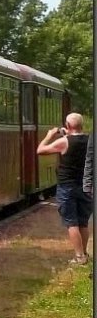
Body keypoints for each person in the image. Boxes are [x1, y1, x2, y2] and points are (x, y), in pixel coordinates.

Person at [37, 112, 92, 265]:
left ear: (68, 126)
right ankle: (85, 254)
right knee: (83, 222)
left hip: (67, 186)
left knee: (71, 223)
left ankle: (79, 257)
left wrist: (49, 135)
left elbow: (40, 150)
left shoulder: (64, 141)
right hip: (86, 186)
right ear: (82, 125)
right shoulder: (90, 141)